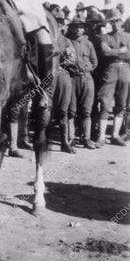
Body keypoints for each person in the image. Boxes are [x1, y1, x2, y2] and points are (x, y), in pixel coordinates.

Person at [95, 9, 130, 147]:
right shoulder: (104, 37)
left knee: (121, 104)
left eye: (117, 21)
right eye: (112, 21)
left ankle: (115, 134)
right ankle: (102, 137)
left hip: (125, 70)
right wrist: (120, 51)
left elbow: (128, 55)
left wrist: (112, 51)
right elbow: (104, 52)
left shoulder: (128, 36)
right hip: (110, 70)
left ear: (121, 22)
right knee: (105, 103)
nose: (115, 24)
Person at [67, 17, 98, 149]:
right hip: (72, 78)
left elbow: (94, 62)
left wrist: (86, 69)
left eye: (80, 27)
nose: (78, 29)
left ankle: (86, 138)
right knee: (71, 111)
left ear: (84, 29)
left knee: (86, 111)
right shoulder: (67, 43)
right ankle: (70, 139)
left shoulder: (89, 44)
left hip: (87, 78)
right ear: (71, 28)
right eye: (75, 27)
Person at [51, 8, 76, 153]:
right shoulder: (45, 38)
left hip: (62, 75)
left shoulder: (66, 41)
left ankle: (64, 142)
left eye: (61, 22)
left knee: (63, 109)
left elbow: (72, 60)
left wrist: (61, 61)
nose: (59, 25)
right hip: (46, 75)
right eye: (56, 22)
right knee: (44, 108)